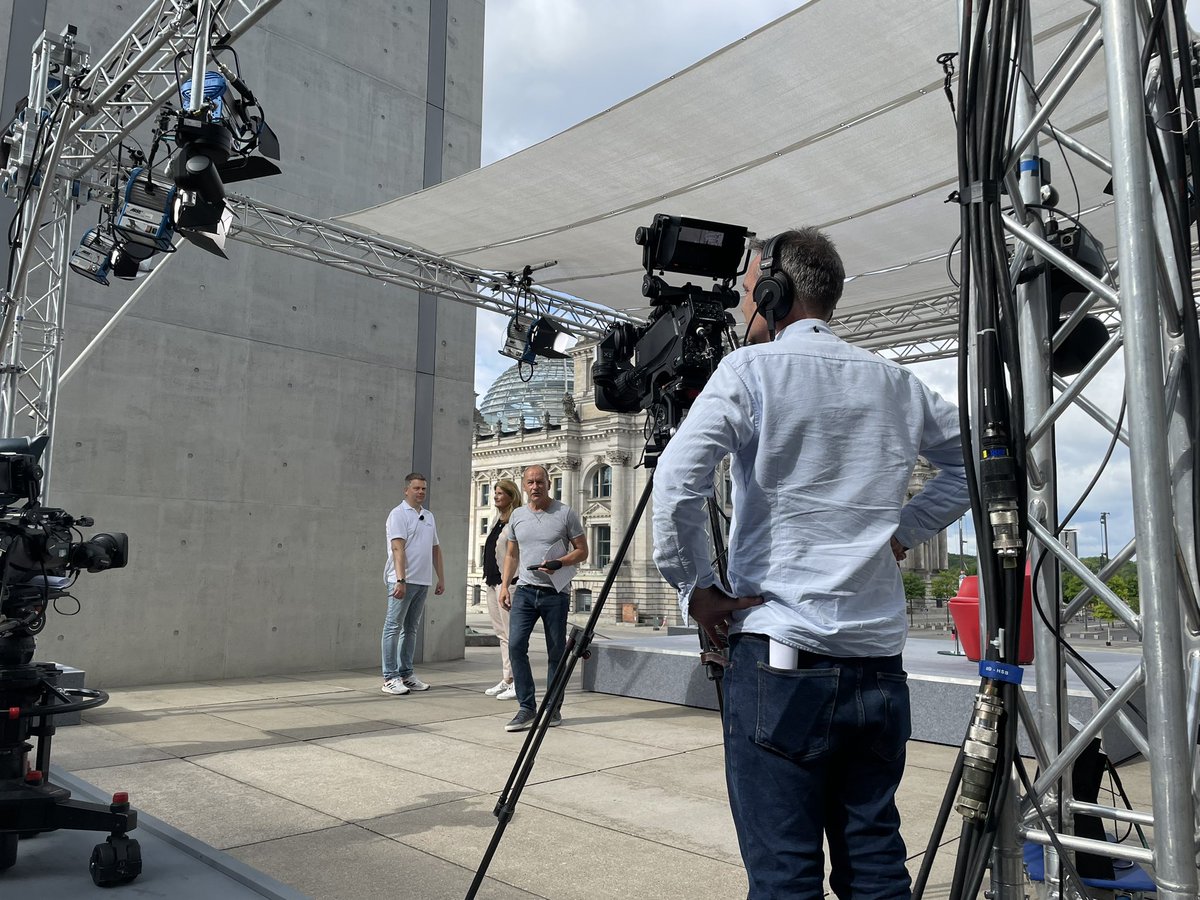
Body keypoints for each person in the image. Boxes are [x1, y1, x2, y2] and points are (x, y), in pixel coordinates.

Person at [652, 228, 970, 899]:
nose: (743, 309)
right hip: (880, 671)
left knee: (785, 878)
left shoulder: (749, 372)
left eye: (747, 293)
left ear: (774, 291)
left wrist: (697, 589)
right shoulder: (895, 382)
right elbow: (972, 460)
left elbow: (678, 482)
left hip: (781, 667)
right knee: (877, 867)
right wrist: (905, 531)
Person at [499, 464, 588, 732]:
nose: (535, 486)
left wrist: (559, 563)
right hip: (525, 591)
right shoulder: (517, 516)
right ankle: (526, 708)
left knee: (555, 653)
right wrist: (505, 586)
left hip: (555, 593)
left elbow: (582, 551)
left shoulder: (565, 513)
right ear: (524, 486)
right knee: (515, 647)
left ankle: (553, 708)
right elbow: (511, 555)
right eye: (530, 482)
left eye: (540, 482)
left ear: (549, 483)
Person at [381, 472, 445, 695]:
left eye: (424, 489)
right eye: (416, 488)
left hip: (422, 581)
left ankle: (406, 674)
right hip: (402, 581)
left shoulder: (428, 516)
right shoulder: (398, 514)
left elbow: (435, 548)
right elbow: (398, 548)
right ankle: (390, 677)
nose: (420, 492)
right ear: (406, 490)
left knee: (411, 629)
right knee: (392, 627)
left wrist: (441, 578)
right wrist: (400, 580)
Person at [482, 478, 521, 701]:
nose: (495, 496)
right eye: (494, 493)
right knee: (502, 635)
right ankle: (507, 678)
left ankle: (517, 681)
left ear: (510, 496)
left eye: (499, 493)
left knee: (512, 634)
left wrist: (507, 583)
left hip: (508, 584)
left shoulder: (515, 520)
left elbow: (516, 554)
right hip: (492, 582)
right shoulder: (498, 519)